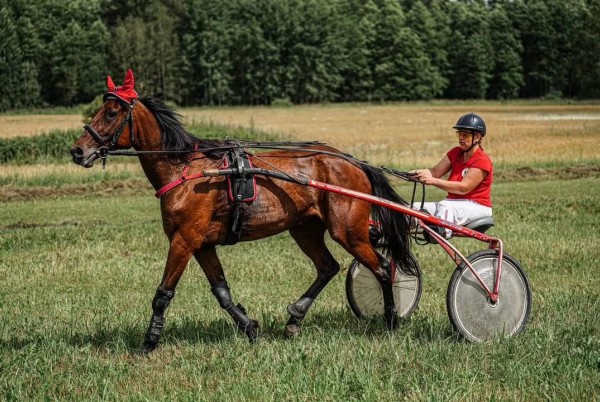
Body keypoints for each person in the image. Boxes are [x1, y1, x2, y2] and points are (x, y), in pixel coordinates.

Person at [411, 113, 493, 239]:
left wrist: (433, 181)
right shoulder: (456, 153)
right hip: (453, 205)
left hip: (477, 207)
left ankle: (442, 233)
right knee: (412, 208)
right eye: (459, 134)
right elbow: (434, 171)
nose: (460, 138)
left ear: (477, 137)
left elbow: (463, 188)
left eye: (465, 135)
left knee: (445, 205)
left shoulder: (482, 160)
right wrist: (415, 173)